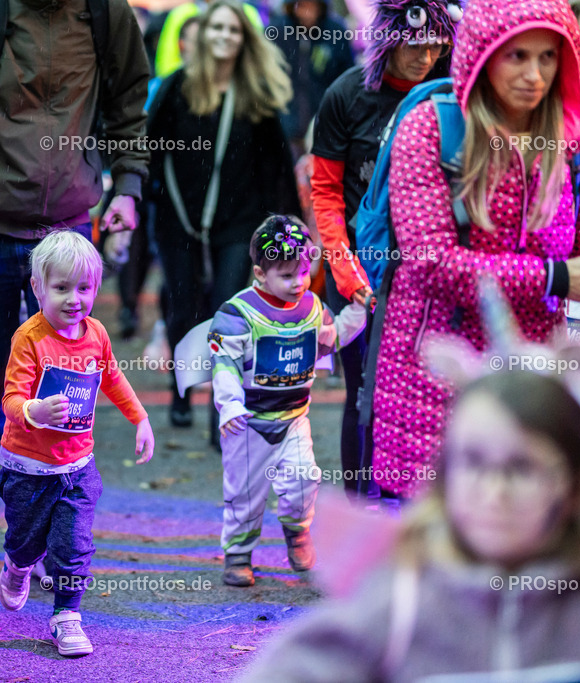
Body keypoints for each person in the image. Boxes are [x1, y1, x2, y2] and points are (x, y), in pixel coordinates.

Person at [0, 0, 151, 568]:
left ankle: (42, 532)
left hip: (66, 221)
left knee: (67, 387)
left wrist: (130, 184)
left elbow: (130, 100)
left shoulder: (104, 10)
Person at [244, 370, 580, 680]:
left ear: (573, 485)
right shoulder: (400, 603)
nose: (494, 492)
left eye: (522, 468)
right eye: (473, 462)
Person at [373, 0, 580, 498]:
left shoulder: (565, 140)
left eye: (548, 57)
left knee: (523, 532)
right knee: (444, 544)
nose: (535, 75)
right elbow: (432, 263)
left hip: (531, 375)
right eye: (517, 57)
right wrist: (555, 279)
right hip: (437, 377)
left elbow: (574, 245)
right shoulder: (431, 128)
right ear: (482, 54)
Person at [310, 0, 460, 501]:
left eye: (436, 46)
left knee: (418, 395)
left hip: (427, 272)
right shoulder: (346, 95)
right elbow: (326, 194)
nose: (424, 56)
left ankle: (405, 510)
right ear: (389, 40)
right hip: (357, 272)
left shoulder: (450, 98)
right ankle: (359, 508)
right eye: (413, 45)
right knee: (362, 394)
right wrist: (346, 270)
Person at [0, 231, 154, 656]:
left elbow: (112, 379)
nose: (73, 299)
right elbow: (10, 399)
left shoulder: (96, 333)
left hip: (77, 467)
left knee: (74, 544)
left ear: (96, 289)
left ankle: (67, 616)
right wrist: (34, 411)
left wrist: (140, 418)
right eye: (61, 288)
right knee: (27, 542)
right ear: (38, 288)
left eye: (83, 288)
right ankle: (17, 564)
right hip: (28, 468)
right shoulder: (29, 338)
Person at [147, 0, 300, 431]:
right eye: (217, 28)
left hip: (239, 220)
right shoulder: (177, 87)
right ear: (203, 33)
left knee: (228, 311)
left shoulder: (255, 96)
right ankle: (183, 392)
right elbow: (149, 150)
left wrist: (286, 227)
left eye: (233, 30)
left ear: (243, 40)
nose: (224, 36)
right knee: (182, 305)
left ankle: (225, 405)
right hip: (180, 217)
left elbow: (276, 166)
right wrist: (143, 200)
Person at [209, 215, 361, 587]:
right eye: (287, 275)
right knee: (244, 493)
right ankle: (238, 553)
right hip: (247, 423)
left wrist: (357, 311)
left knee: (303, 481)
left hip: (294, 417)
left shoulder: (312, 308)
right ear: (260, 274)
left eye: (304, 272)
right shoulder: (237, 315)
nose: (298, 283)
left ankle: (298, 534)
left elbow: (331, 338)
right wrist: (229, 405)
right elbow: (224, 364)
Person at [267, 0, 354, 159]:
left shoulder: (335, 32)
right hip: (282, 127)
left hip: (324, 128)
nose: (306, 12)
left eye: (311, 6)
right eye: (301, 5)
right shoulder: (277, 30)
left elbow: (347, 80)